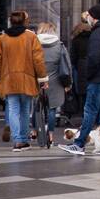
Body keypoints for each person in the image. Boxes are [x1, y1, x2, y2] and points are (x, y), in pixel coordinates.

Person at [60, 4, 100, 156]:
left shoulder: (98, 33)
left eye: (89, 15)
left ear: (94, 17)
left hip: (99, 79)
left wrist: (89, 75)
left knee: (89, 111)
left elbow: (93, 58)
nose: (87, 18)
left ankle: (79, 144)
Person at [0, 10, 47, 153]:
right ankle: (24, 140)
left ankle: (17, 141)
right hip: (27, 79)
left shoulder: (2, 38)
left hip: (9, 80)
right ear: (25, 21)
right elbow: (38, 60)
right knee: (25, 110)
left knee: (13, 110)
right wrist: (42, 78)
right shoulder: (31, 37)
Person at [35, 21, 72, 149]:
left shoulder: (34, 44)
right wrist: (68, 83)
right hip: (55, 80)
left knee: (36, 108)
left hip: (38, 79)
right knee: (52, 109)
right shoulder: (59, 45)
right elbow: (67, 65)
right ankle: (50, 135)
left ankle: (35, 131)